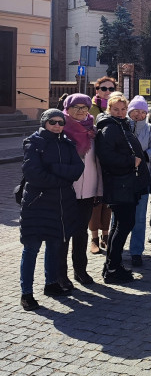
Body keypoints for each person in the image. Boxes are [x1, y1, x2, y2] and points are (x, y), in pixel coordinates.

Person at [19, 109, 84, 310]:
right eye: (52, 122)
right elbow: (33, 174)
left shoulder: (66, 142)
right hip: (36, 204)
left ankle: (51, 284)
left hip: (61, 204)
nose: (57, 126)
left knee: (55, 245)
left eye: (60, 122)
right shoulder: (34, 142)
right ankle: (26, 294)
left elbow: (78, 169)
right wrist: (61, 180)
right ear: (44, 122)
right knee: (31, 248)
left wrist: (54, 169)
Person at [95, 92, 149, 283]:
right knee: (123, 224)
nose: (120, 112)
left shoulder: (121, 124)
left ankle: (112, 266)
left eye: (123, 109)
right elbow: (107, 157)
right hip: (119, 183)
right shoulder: (109, 127)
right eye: (115, 109)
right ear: (108, 109)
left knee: (122, 224)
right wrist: (130, 161)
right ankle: (112, 269)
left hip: (126, 182)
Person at [59, 93, 100, 288]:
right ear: (67, 108)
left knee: (81, 232)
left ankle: (80, 270)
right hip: (67, 191)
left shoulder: (92, 130)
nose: (82, 110)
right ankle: (61, 274)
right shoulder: (60, 129)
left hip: (88, 190)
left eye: (85, 107)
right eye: (77, 107)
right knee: (64, 233)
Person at [127, 96, 151, 266]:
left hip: (142, 177)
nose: (139, 115)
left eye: (142, 112)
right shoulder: (121, 127)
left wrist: (142, 158)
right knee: (120, 217)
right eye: (135, 111)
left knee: (139, 217)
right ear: (129, 111)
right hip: (123, 179)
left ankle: (136, 251)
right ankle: (117, 249)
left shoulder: (150, 129)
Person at [88, 76, 117, 255]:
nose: (107, 92)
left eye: (111, 89)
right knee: (95, 200)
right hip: (92, 159)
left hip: (110, 160)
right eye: (104, 88)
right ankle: (94, 238)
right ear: (97, 90)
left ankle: (106, 236)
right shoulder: (90, 108)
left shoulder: (116, 107)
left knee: (108, 200)